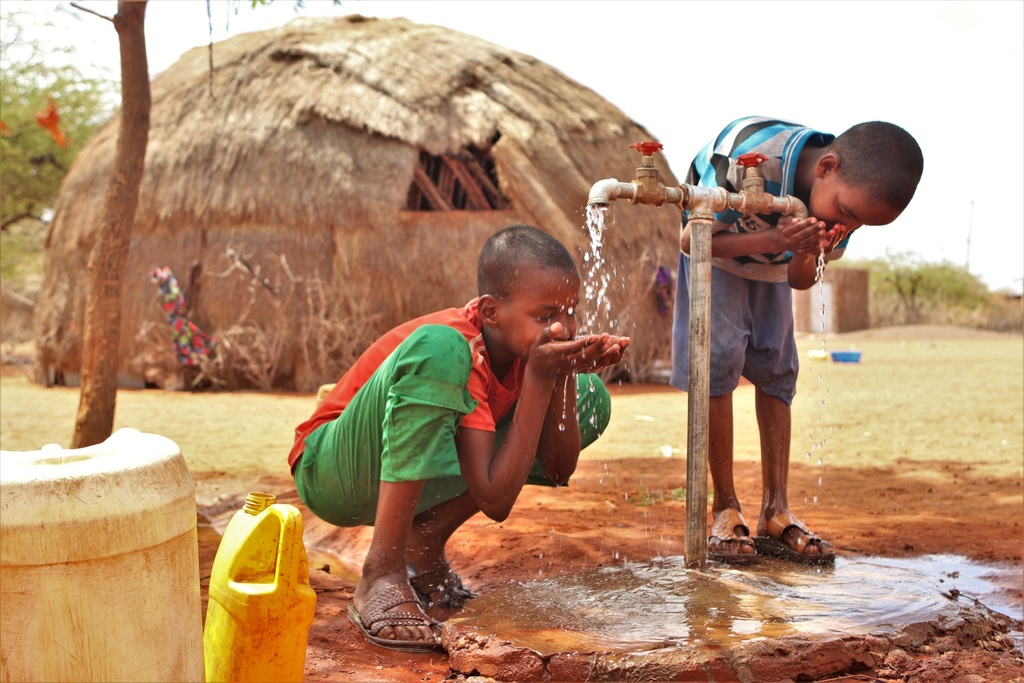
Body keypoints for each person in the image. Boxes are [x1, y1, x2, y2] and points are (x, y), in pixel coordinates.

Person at [289, 224, 630, 651]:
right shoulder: (463, 345)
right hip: (334, 470)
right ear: (491, 312)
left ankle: (424, 543)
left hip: (401, 472)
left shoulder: (527, 352)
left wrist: (561, 376)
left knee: (589, 397)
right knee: (440, 347)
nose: (562, 329)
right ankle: (382, 572)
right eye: (545, 316)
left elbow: (557, 469)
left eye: (570, 312)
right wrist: (542, 378)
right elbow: (494, 498)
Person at [671, 116, 924, 565]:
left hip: (773, 271)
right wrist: (775, 236)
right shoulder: (753, 154)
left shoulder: (845, 209)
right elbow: (693, 239)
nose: (847, 226)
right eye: (846, 214)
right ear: (826, 167)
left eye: (861, 224)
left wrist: (806, 249)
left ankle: (775, 508)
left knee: (779, 368)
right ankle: (725, 506)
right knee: (718, 361)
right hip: (719, 259)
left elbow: (801, 279)